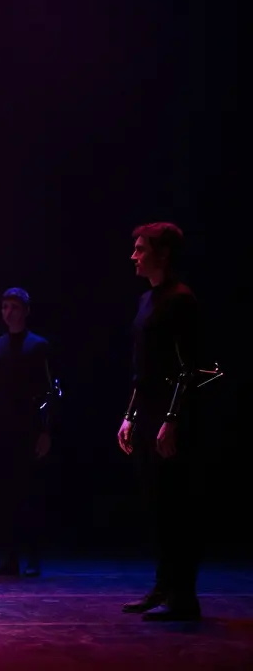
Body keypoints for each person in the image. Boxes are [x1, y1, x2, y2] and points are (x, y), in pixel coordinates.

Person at [117, 222, 203, 621]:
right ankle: (163, 587)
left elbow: (192, 368)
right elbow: (142, 370)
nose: (134, 255)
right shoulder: (145, 302)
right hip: (150, 409)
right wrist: (130, 415)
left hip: (172, 412)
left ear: (162, 253)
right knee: (156, 504)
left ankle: (183, 596)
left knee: (175, 506)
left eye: (140, 249)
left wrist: (172, 419)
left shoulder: (180, 300)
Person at [0, 287, 57, 577]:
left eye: (13, 307)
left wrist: (45, 430)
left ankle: (33, 558)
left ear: (25, 311)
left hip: (28, 428)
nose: (8, 312)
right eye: (4, 307)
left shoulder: (38, 346)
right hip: (2, 427)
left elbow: (50, 391)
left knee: (30, 493)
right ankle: (9, 558)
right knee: (5, 494)